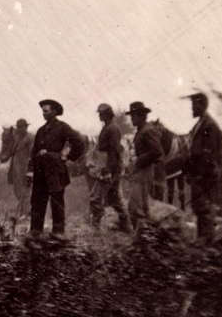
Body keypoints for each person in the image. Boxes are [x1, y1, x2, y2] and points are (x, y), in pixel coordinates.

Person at [29, 99, 86, 237]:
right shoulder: (41, 130)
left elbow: (80, 143)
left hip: (55, 170)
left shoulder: (63, 127)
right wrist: (30, 170)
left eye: (46, 111)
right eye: (42, 111)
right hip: (40, 170)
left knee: (56, 200)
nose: (43, 114)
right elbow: (34, 152)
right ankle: (36, 231)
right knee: (37, 200)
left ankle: (58, 232)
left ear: (54, 112)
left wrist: (68, 157)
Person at [182, 92, 222, 240]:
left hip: (204, 175)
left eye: (194, 105)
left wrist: (200, 174)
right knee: (199, 208)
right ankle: (203, 240)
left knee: (204, 209)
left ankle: (207, 243)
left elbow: (209, 153)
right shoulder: (201, 124)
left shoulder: (209, 126)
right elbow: (194, 151)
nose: (192, 109)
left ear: (202, 106)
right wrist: (189, 171)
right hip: (198, 175)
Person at [89, 103, 130, 231]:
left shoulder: (112, 129)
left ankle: (96, 226)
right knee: (115, 197)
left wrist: (108, 170)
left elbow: (114, 151)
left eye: (101, 114)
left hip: (110, 168)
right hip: (111, 168)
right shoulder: (108, 127)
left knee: (96, 197)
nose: (99, 116)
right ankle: (126, 224)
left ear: (107, 114)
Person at [126, 102, 162, 229]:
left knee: (134, 208)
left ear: (141, 116)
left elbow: (157, 152)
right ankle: (147, 237)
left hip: (144, 171)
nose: (131, 118)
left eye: (133, 115)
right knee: (143, 207)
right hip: (141, 171)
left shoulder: (148, 130)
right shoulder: (142, 130)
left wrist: (138, 160)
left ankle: (143, 237)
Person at [0, 118, 34, 217]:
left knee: (26, 191)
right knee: (17, 190)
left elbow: (32, 154)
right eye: (17, 127)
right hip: (15, 169)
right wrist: (4, 157)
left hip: (25, 169)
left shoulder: (30, 138)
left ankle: (26, 213)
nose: (18, 129)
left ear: (25, 127)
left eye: (20, 127)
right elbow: (11, 150)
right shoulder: (17, 138)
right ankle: (24, 212)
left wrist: (30, 170)